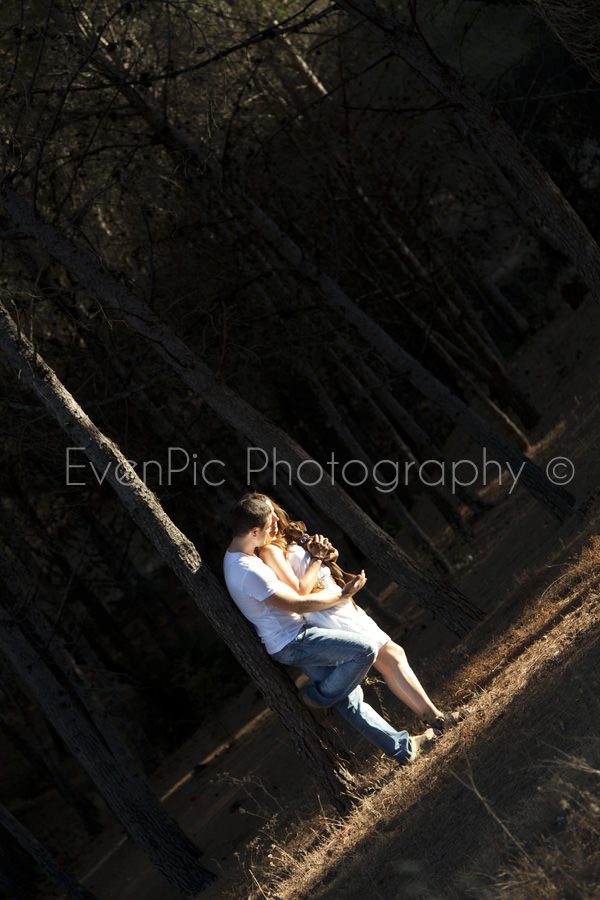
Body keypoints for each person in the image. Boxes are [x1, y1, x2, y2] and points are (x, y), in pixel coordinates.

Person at [223, 494, 436, 766]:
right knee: (365, 650)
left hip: (296, 635)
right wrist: (342, 595)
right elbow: (299, 604)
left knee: (350, 702)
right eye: (267, 526)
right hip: (294, 641)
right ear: (254, 531)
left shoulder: (239, 558)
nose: (273, 529)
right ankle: (316, 696)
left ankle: (403, 749)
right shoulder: (246, 571)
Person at [255, 494, 466, 734]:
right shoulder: (269, 551)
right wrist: (315, 558)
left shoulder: (288, 538)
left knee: (393, 656)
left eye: (273, 511)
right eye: (266, 516)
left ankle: (435, 719)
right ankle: (436, 718)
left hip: (340, 603)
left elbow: (316, 568)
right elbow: (300, 591)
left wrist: (326, 553)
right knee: (390, 656)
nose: (273, 519)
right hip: (326, 612)